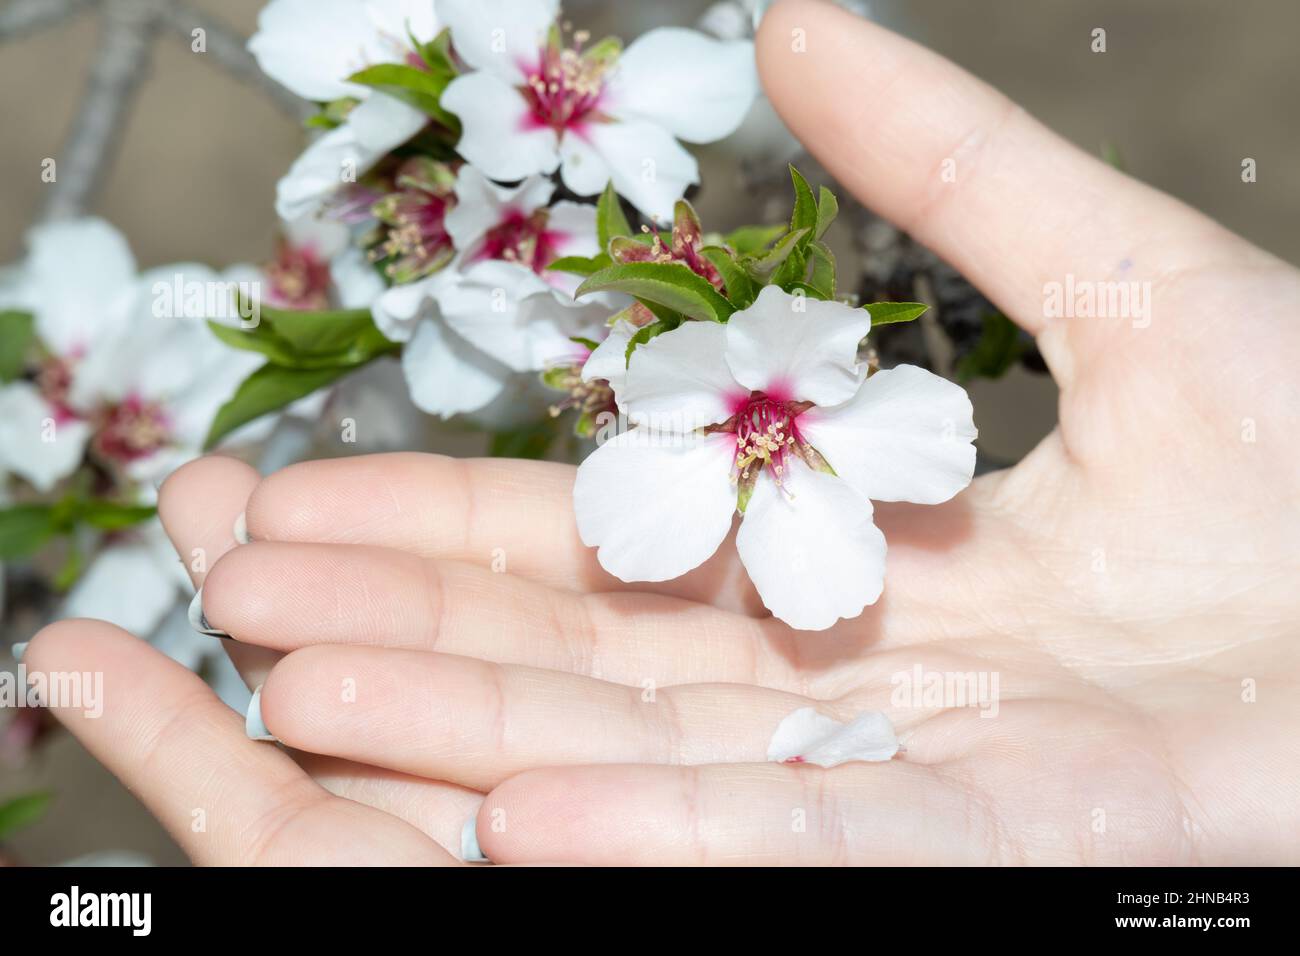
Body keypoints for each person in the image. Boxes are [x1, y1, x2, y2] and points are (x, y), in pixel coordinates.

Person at [21, 0, 1299, 865]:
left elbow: (772, 379)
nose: (757, 442)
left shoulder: (782, 374)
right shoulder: (671, 348)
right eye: (747, 428)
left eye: (759, 428)